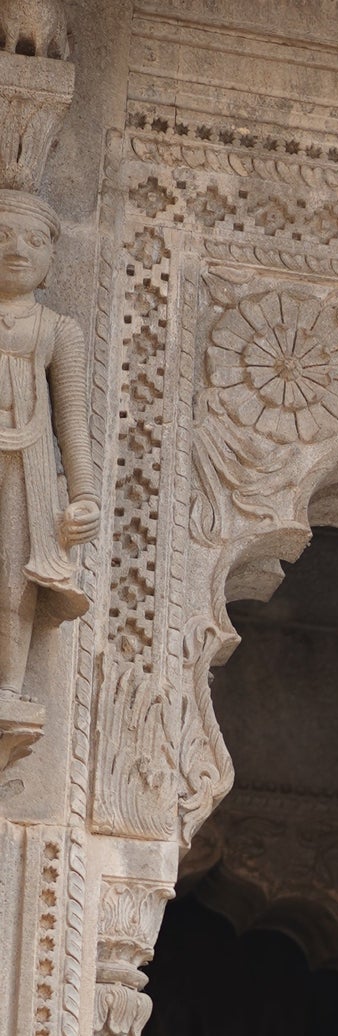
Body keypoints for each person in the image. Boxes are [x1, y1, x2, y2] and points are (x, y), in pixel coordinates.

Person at [0, 190, 98, 746]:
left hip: (28, 465)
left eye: (34, 240)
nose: (18, 250)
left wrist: (82, 495)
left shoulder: (57, 329)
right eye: (3, 236)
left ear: (51, 260)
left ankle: (8, 686)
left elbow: (73, 419)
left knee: (15, 576)